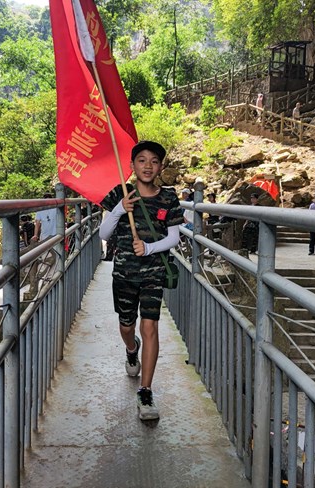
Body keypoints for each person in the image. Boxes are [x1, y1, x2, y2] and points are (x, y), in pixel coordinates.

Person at [100, 140, 184, 420]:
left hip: (153, 273)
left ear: (161, 167)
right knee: (127, 326)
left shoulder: (168, 198)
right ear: (132, 165)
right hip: (124, 272)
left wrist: (148, 248)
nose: (148, 166)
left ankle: (145, 392)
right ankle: (131, 348)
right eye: (142, 160)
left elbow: (173, 237)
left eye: (154, 161)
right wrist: (120, 209)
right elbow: (103, 234)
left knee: (150, 327)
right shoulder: (121, 193)